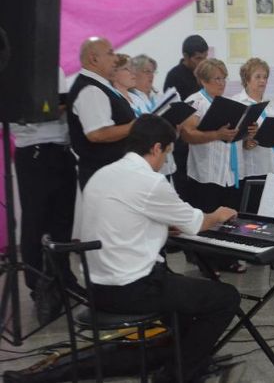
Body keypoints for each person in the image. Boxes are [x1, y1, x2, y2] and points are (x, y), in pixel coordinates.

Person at [79, 114, 240, 383]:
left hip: (96, 287)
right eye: (166, 153)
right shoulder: (151, 181)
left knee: (186, 296)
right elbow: (198, 222)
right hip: (131, 288)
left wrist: (165, 227)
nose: (165, 160)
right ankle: (177, 375)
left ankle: (183, 358)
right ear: (156, 148)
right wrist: (219, 214)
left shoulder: (102, 174)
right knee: (226, 297)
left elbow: (125, 222)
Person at [11, 67, 77, 296]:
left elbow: (59, 104)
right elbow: (13, 115)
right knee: (35, 220)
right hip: (33, 150)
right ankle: (38, 284)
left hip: (61, 147)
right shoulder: (11, 71)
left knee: (63, 219)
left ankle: (63, 277)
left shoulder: (53, 67)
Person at [180, 59, 248, 274]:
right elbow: (188, 134)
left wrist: (246, 132)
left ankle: (226, 258)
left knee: (227, 216)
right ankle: (206, 262)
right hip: (205, 172)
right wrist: (216, 134)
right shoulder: (195, 101)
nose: (222, 83)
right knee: (207, 215)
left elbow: (231, 136)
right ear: (203, 80)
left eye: (224, 78)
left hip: (227, 171)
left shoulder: (225, 102)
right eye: (217, 78)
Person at [67, 37, 136, 189]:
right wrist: (134, 126)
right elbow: (97, 134)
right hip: (103, 174)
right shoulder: (90, 90)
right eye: (110, 53)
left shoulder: (100, 86)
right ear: (94, 59)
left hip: (112, 171)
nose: (116, 58)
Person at [231, 58, 274, 212]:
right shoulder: (238, 103)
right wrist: (244, 142)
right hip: (255, 170)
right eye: (258, 77)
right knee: (255, 215)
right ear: (247, 78)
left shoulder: (273, 103)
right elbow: (230, 137)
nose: (262, 81)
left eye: (265, 77)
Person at [164, 35, 209, 201]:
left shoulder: (204, 75)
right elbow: (172, 111)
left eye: (205, 57)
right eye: (198, 58)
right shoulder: (174, 76)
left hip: (203, 139)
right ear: (186, 56)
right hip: (183, 144)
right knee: (186, 192)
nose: (202, 62)